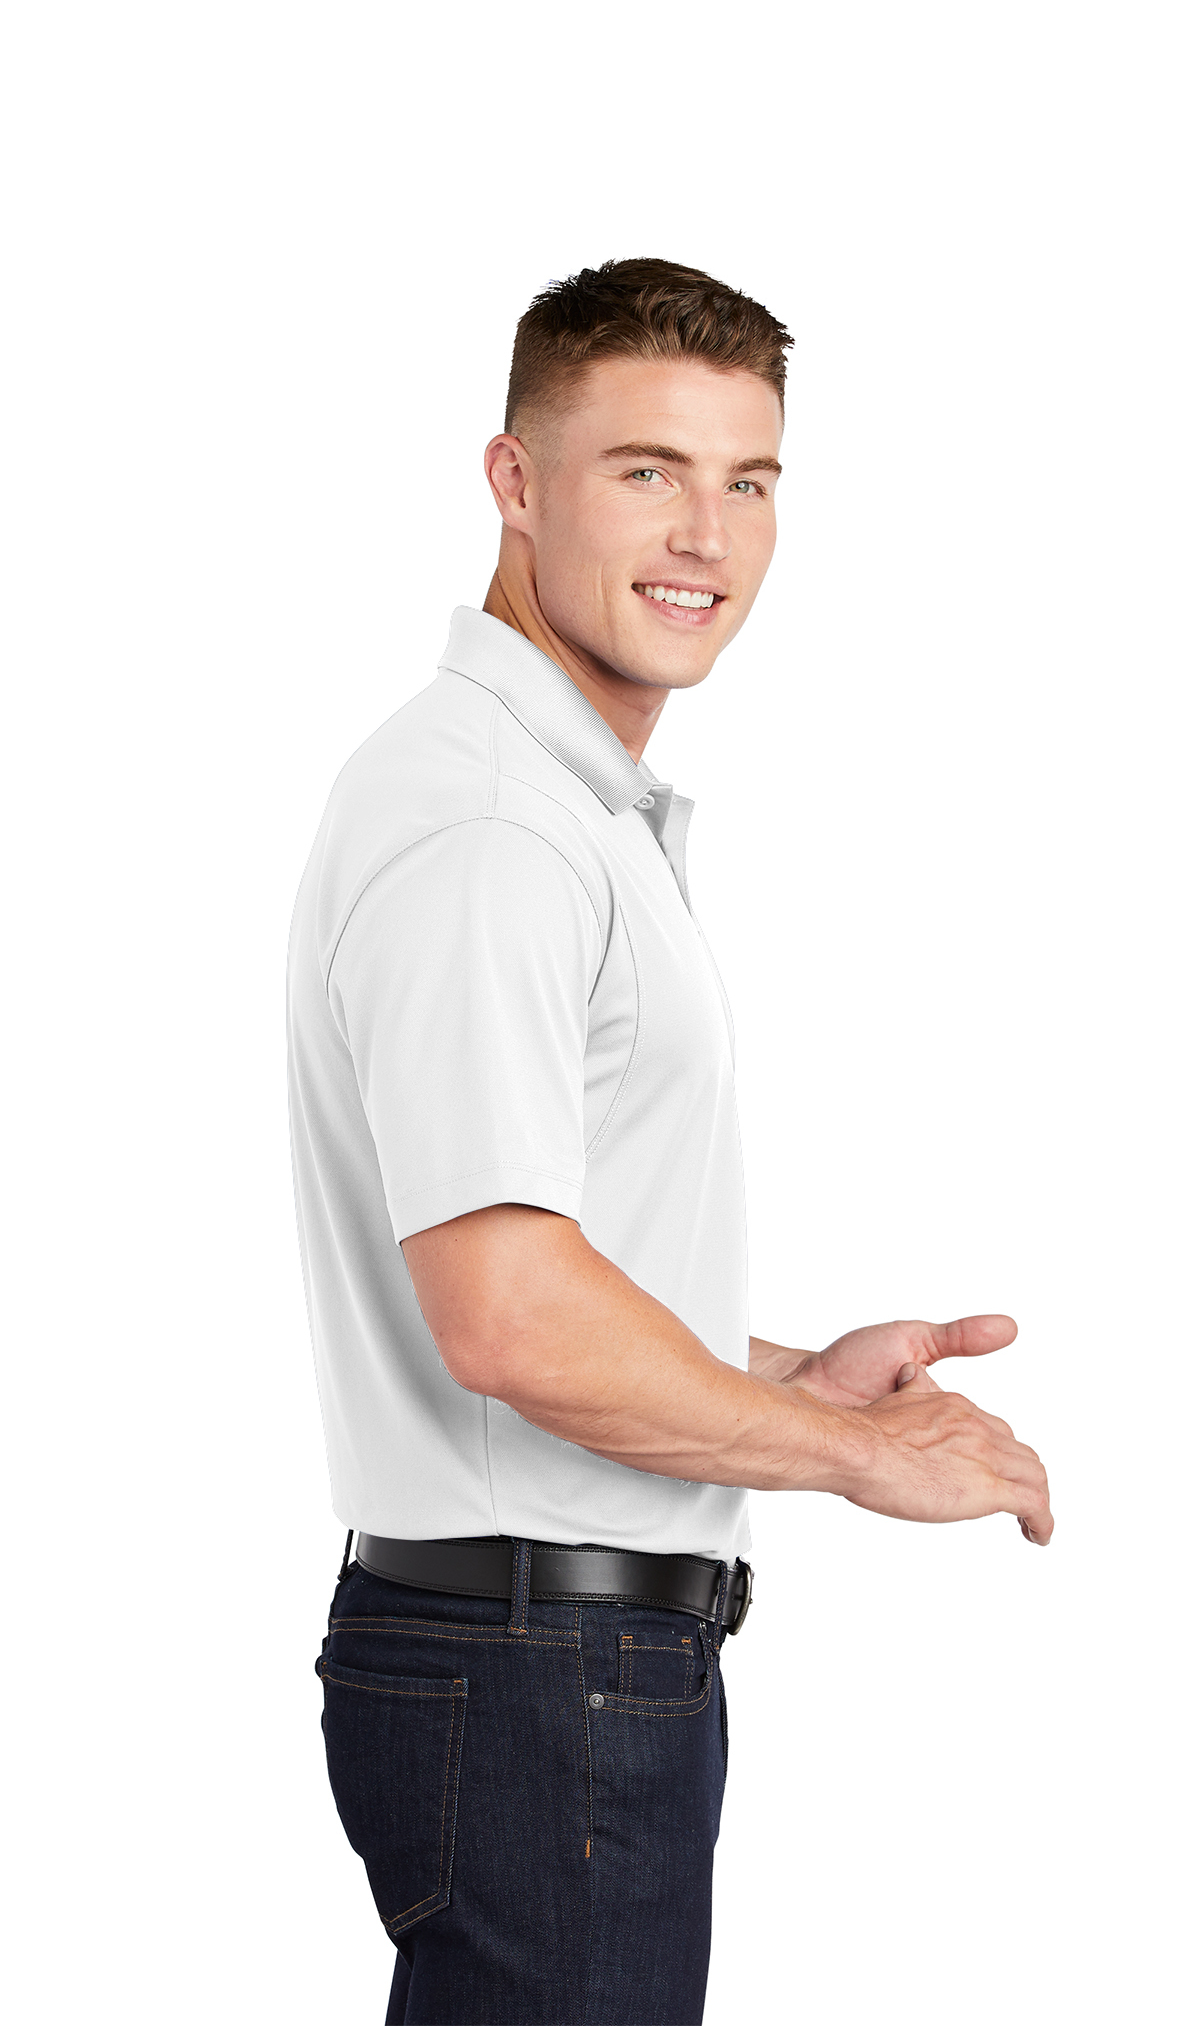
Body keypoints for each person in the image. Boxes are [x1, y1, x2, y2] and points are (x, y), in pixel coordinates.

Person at [286, 258, 1052, 2027]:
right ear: (515, 479)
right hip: (543, 1668)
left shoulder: (543, 803)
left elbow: (532, 1265)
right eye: (648, 471)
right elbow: (508, 1320)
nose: (707, 534)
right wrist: (850, 1459)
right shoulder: (495, 828)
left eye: (750, 479)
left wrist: (783, 1373)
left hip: (542, 1658)